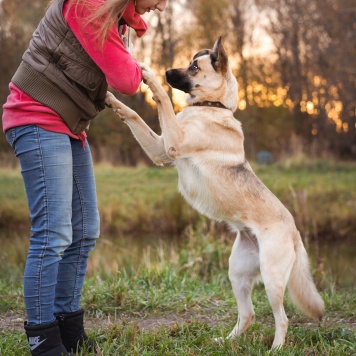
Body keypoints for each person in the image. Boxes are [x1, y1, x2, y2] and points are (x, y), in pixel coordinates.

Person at [2, 0, 168, 354]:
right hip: (36, 116)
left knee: (85, 230)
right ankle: (43, 339)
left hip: (69, 124)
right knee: (53, 234)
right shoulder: (88, 3)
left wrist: (131, 22)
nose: (164, 7)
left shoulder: (114, 16)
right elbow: (126, 80)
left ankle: (68, 327)